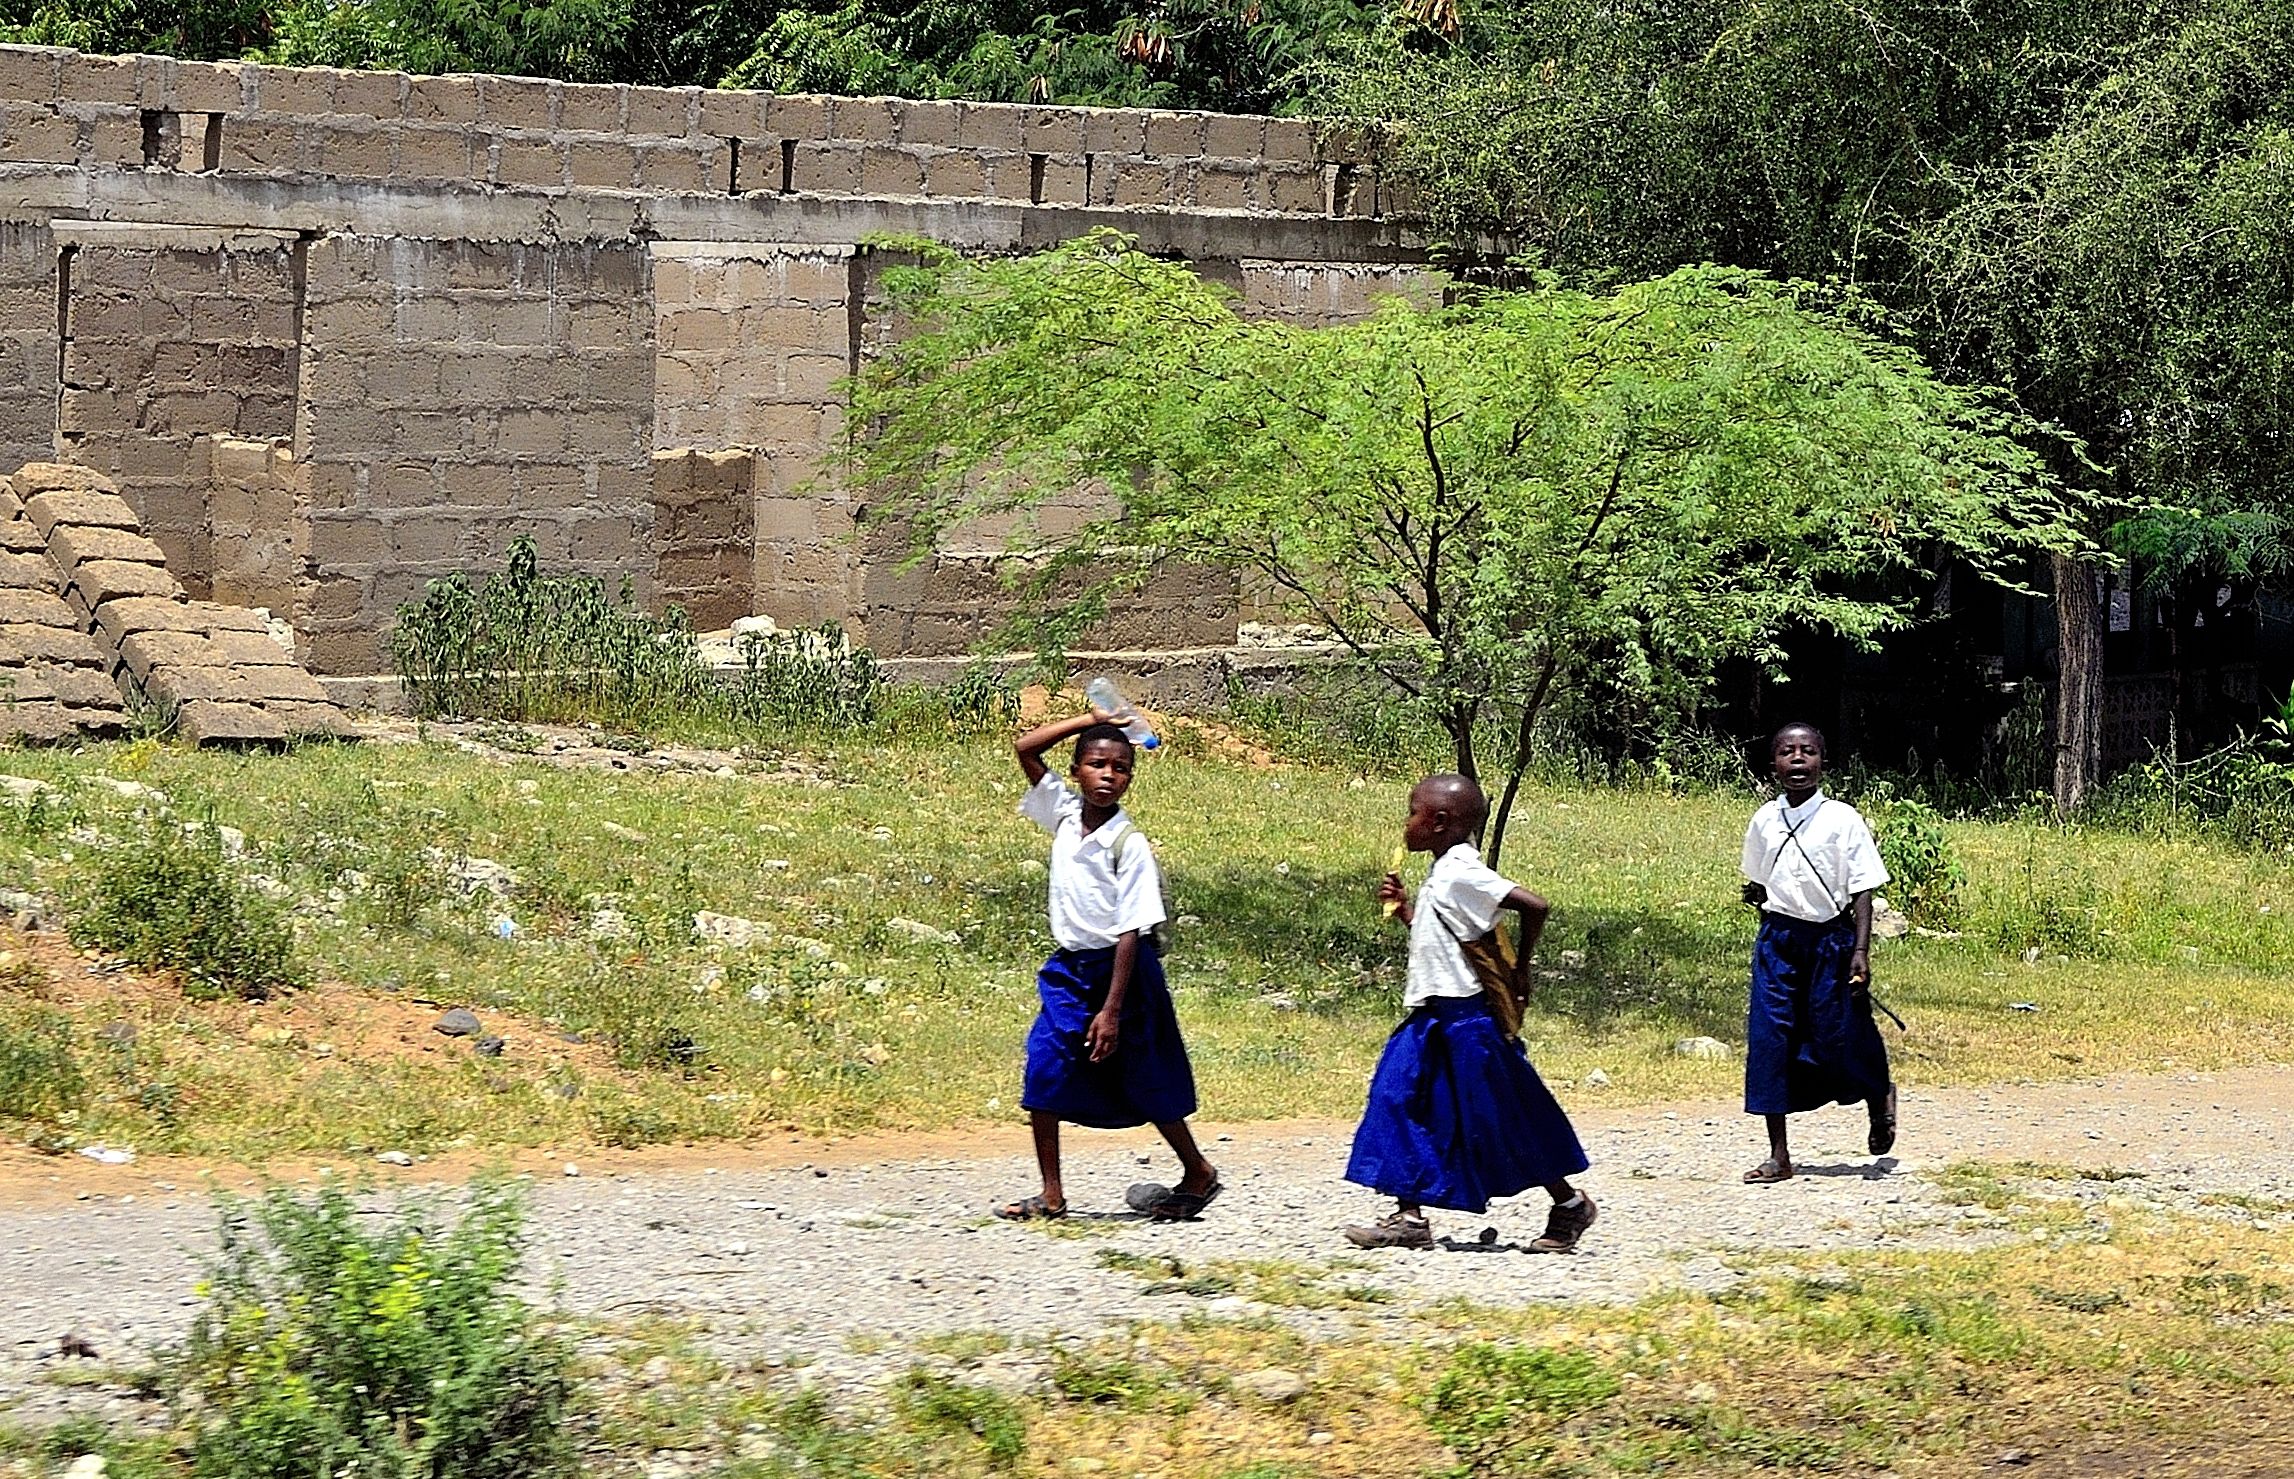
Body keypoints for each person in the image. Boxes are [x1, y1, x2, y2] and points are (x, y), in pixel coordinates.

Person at [1343, 774, 1595, 1253]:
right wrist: (1406, 915)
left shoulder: (1460, 870)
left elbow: (1533, 905)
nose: (1406, 822)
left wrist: (1521, 970)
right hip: (1431, 1020)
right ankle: (1409, 1216)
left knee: (1502, 1117)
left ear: (1439, 822)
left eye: (1412, 811)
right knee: (1397, 1098)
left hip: (1468, 1024)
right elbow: (1449, 936)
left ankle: (1568, 1205)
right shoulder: (1444, 871)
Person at [992, 705, 1220, 1222]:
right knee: (1044, 1069)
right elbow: (1025, 748)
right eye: (1096, 764)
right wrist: (1088, 719)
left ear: (1129, 779)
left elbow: (1130, 930)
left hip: (1123, 974)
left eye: (1120, 768)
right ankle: (1051, 1194)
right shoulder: (1065, 815)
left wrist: (1112, 1010)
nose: (1108, 776)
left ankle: (1198, 1170)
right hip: (1070, 972)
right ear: (1076, 771)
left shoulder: (1129, 844)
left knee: (1146, 1076)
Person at [1738, 722, 1897, 1184]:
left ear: (1823, 762)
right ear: (1774, 765)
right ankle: (1778, 1154)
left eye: (1808, 751)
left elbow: (1863, 887)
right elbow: (1759, 880)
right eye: (1787, 752)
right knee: (1771, 1040)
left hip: (1832, 940)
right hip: (1779, 942)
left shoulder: (1842, 819)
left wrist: (1860, 949)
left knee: (1839, 1033)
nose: (1798, 760)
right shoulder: (1764, 820)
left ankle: (1878, 1094)